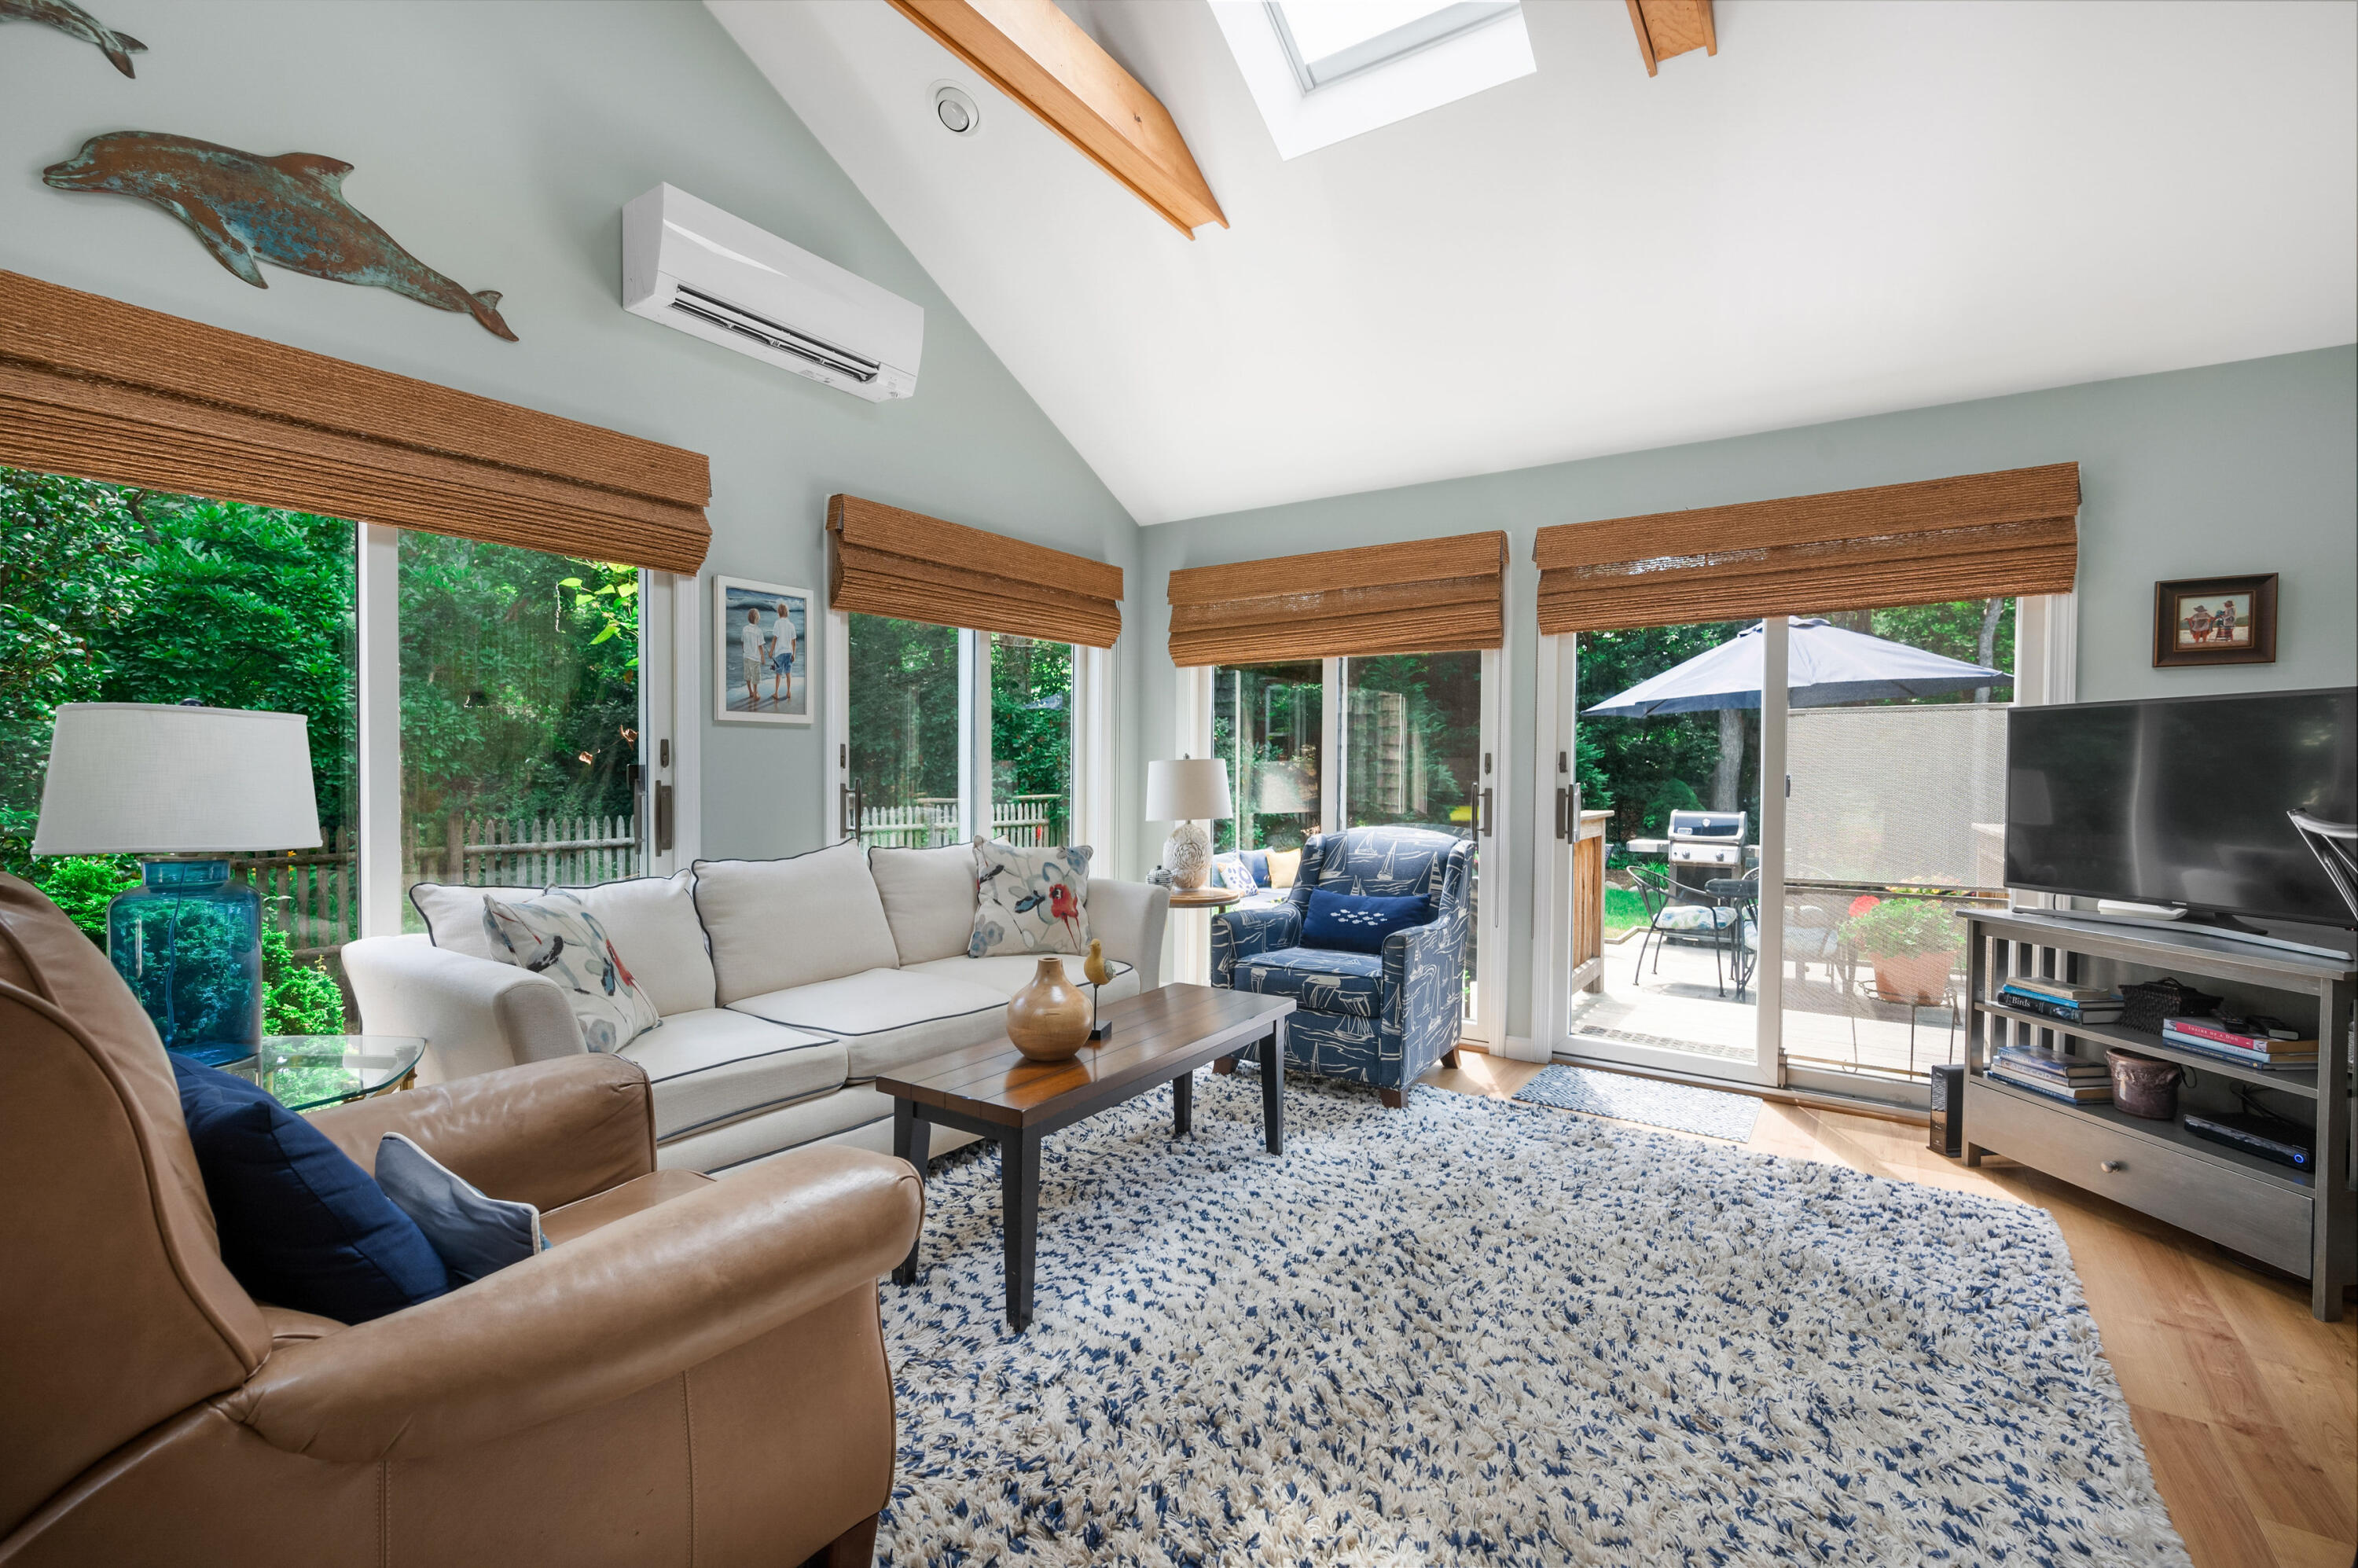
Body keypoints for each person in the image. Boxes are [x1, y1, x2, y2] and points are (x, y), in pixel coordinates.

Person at [767, 603, 797, 707]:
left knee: (778, 674)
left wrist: (771, 652)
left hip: (780, 653)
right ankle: (789, 692)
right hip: (789, 652)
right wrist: (794, 654)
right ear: (787, 613)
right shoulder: (791, 625)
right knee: (788, 673)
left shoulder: (777, 623)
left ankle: (776, 693)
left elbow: (775, 639)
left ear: (778, 613)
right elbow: (794, 642)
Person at [740, 606, 766, 707]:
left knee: (748, 674)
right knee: (755, 675)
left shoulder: (744, 629)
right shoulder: (758, 631)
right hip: (755, 657)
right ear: (756, 619)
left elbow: (743, 642)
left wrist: (744, 650)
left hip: (746, 655)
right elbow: (760, 646)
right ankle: (755, 693)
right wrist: (763, 658)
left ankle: (750, 692)